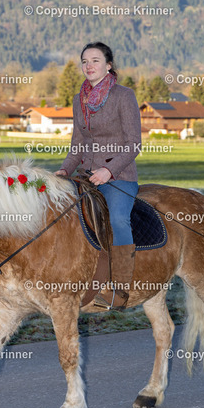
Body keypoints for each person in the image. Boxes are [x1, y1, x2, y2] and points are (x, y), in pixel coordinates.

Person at [55, 42, 141, 309]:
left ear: (108, 65)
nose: (88, 66)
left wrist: (108, 170)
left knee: (117, 220)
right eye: (84, 61)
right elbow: (77, 145)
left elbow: (134, 144)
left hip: (119, 177)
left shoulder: (124, 96)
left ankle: (121, 291)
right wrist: (64, 170)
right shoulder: (78, 99)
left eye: (95, 60)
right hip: (85, 177)